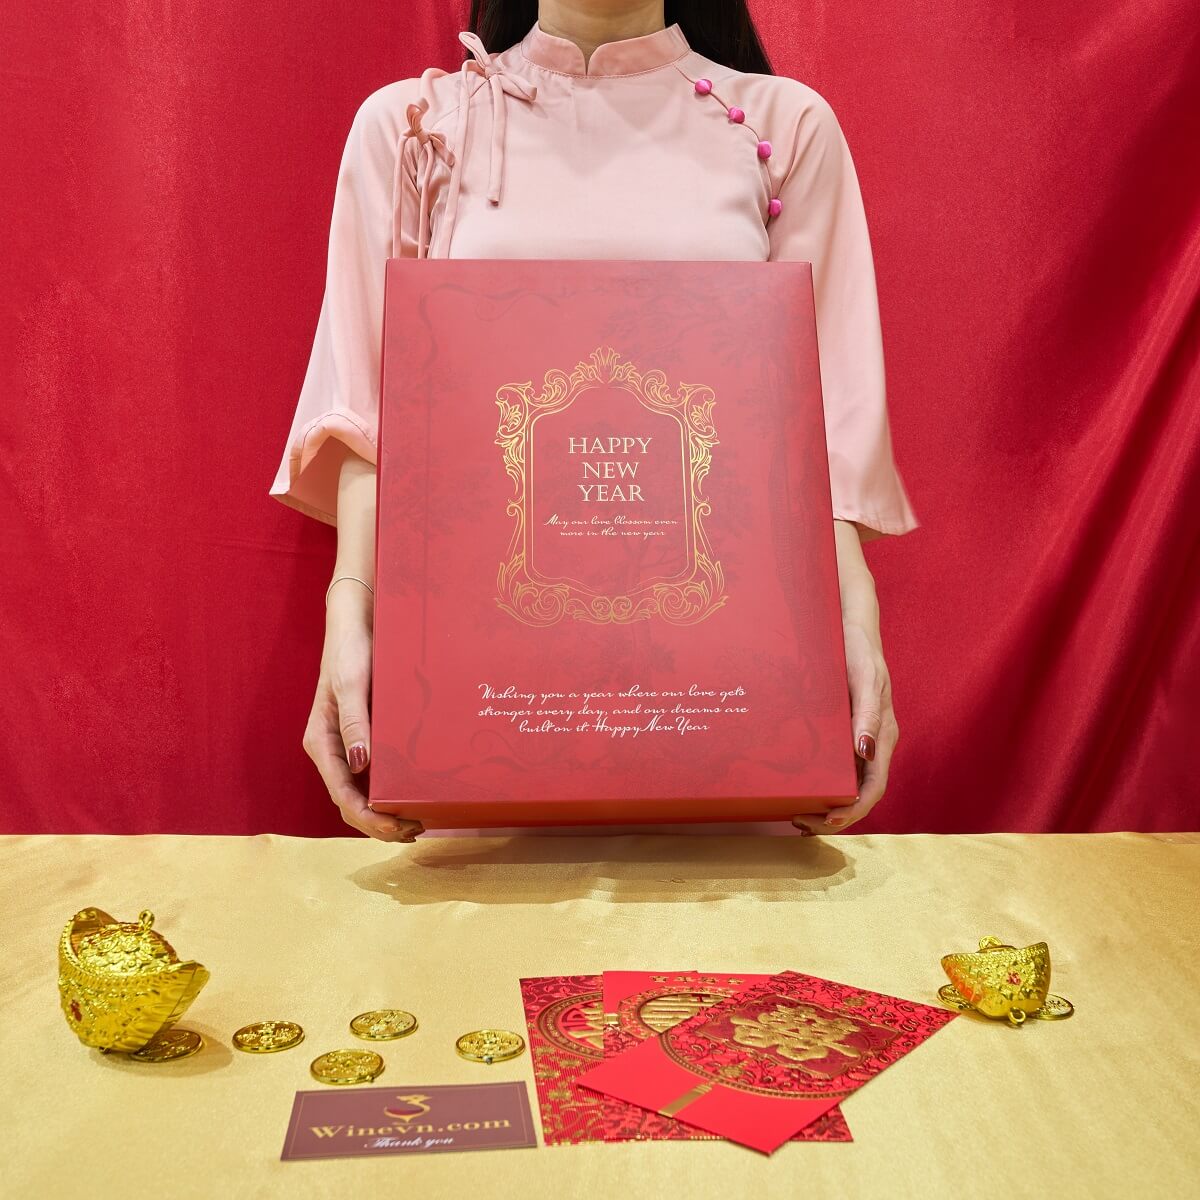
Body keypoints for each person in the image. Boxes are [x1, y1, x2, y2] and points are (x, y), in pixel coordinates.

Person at [269, 1, 920, 843]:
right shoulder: (415, 128)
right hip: (484, 741)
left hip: (731, 737)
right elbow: (367, 417)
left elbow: (819, 435)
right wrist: (349, 613)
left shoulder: (780, 128)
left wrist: (856, 627)